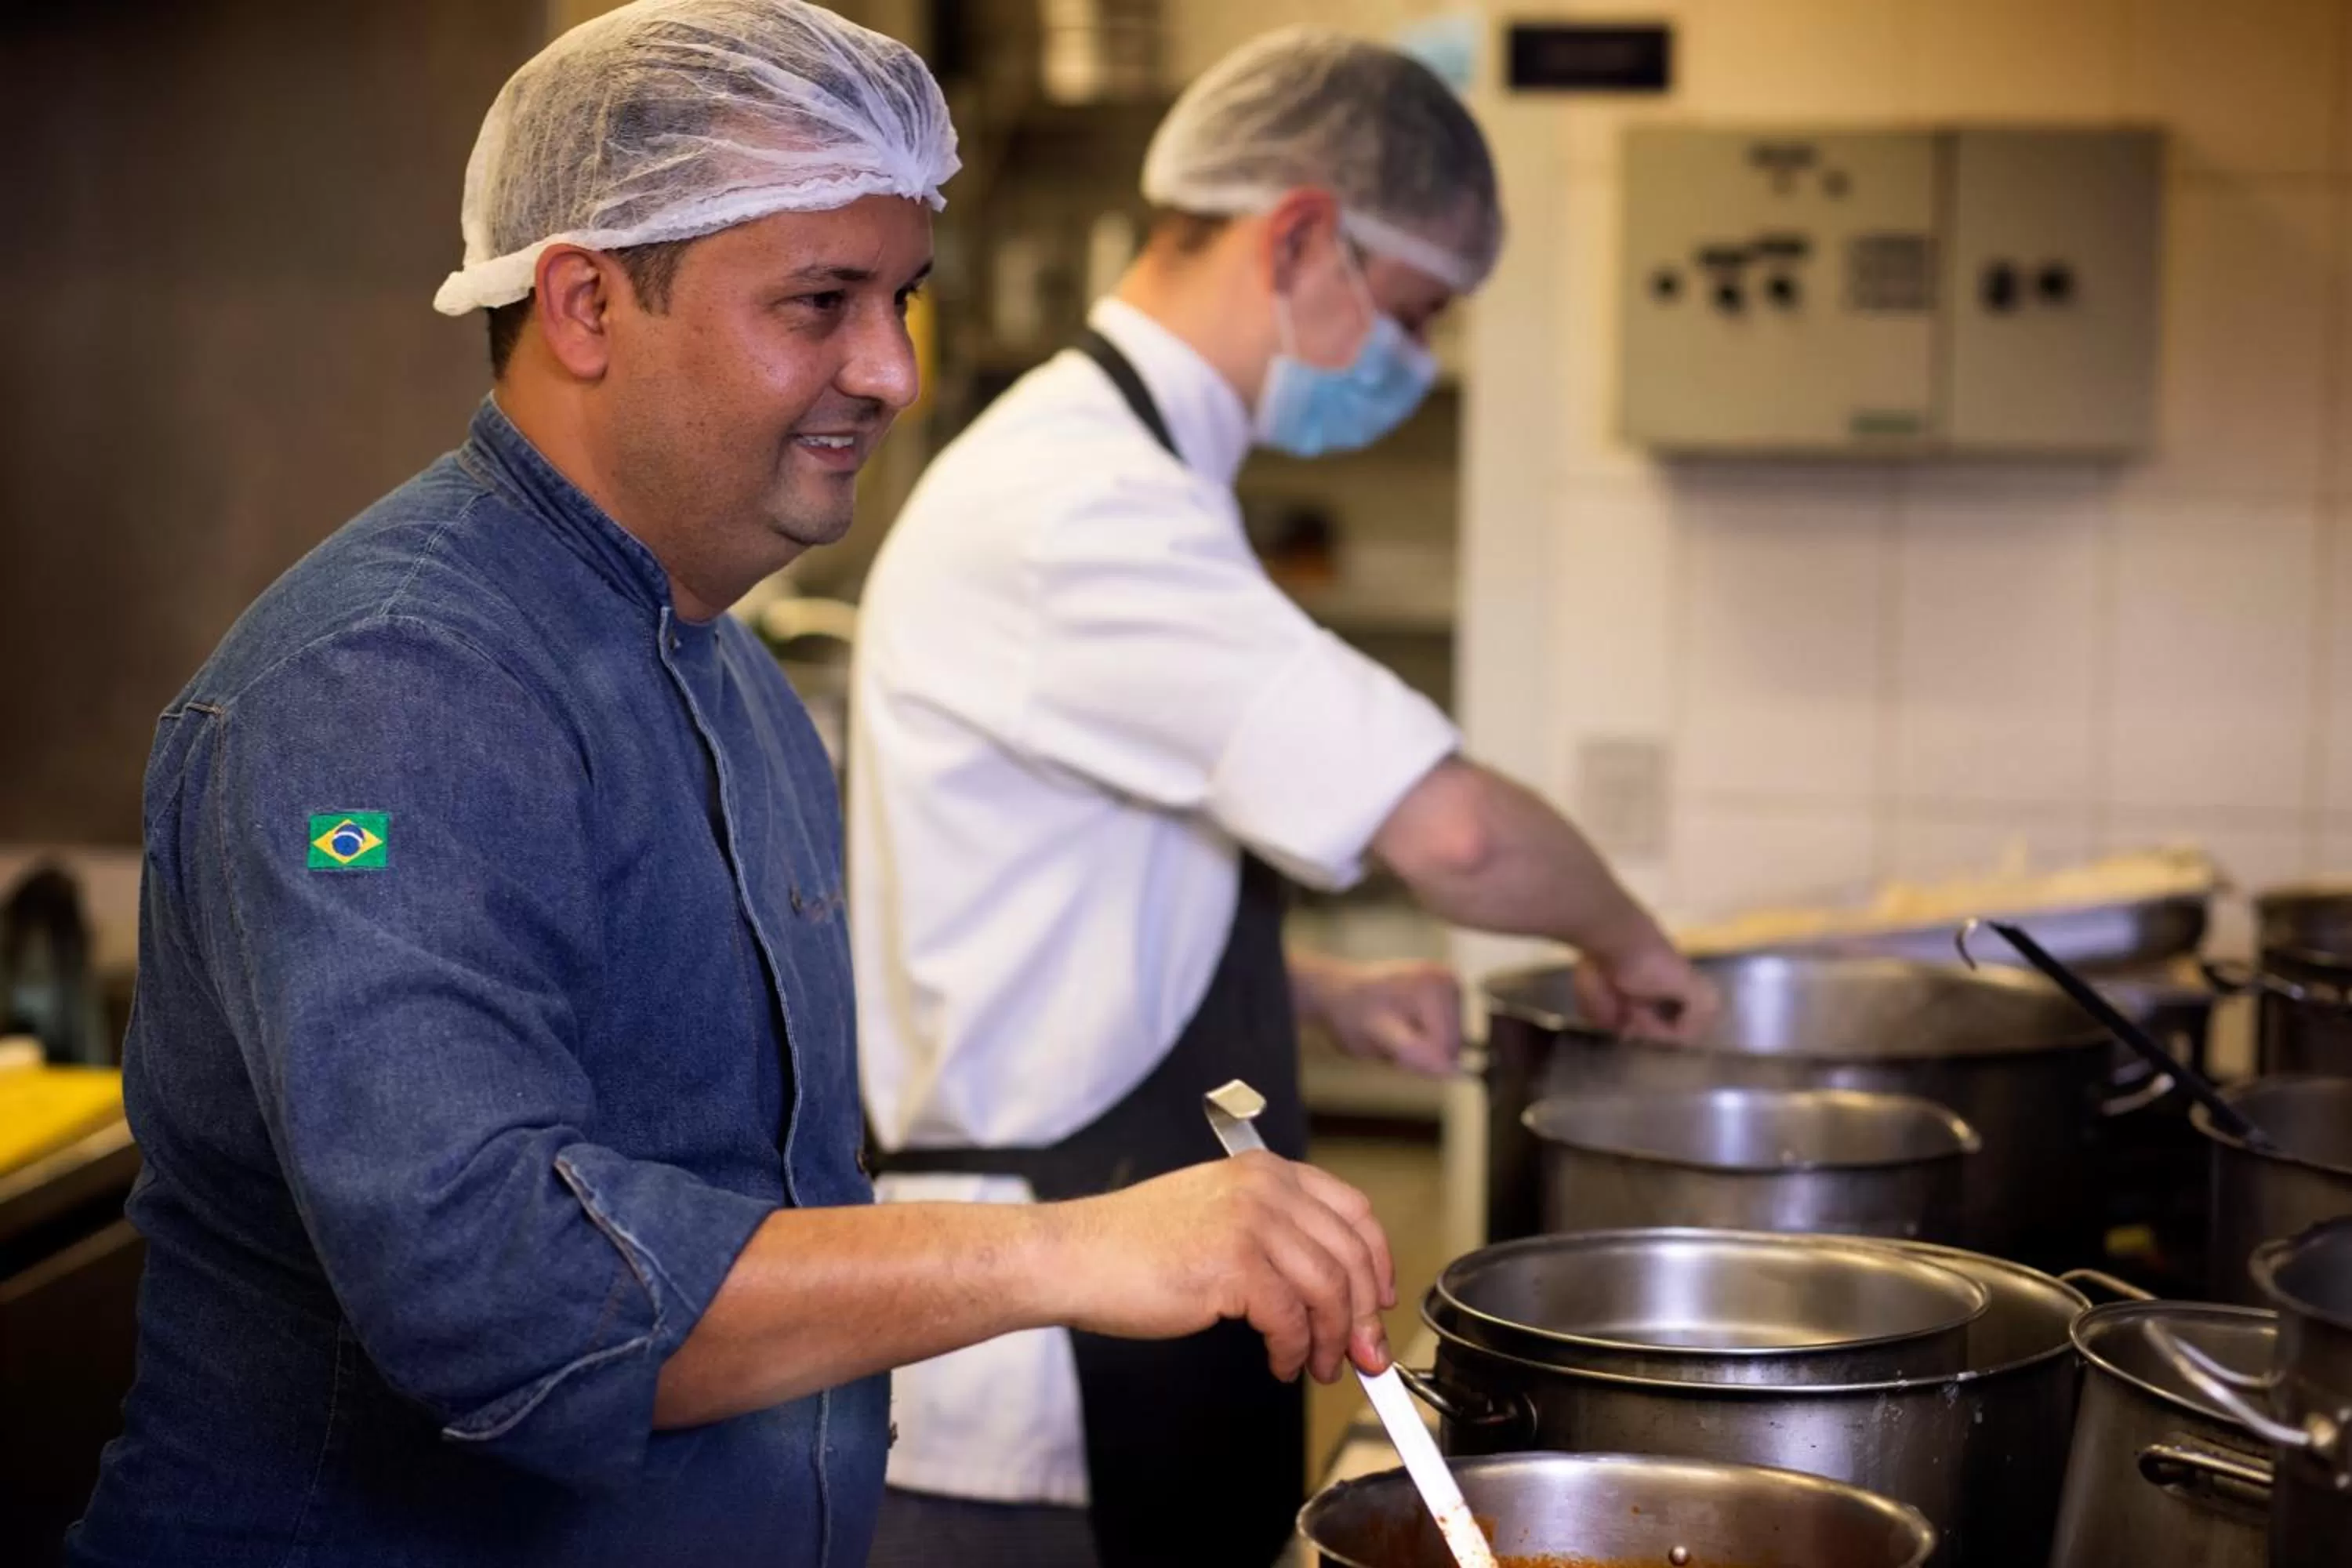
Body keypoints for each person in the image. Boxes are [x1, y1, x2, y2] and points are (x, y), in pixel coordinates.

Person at [66, 6, 1398, 1566]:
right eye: (819, 301)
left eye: (900, 296)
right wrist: (1068, 1251)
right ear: (582, 303)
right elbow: (499, 1290)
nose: (893, 368)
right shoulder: (387, 690)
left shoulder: (727, 676)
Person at [851, 26, 1721, 1568]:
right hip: (1032, 1386)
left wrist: (1309, 989)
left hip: (1122, 1293)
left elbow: (1058, 892)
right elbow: (1451, 828)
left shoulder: (1128, 473)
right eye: (1412, 317)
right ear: (1305, 232)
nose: (1413, 366)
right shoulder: (1078, 505)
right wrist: (1633, 943)